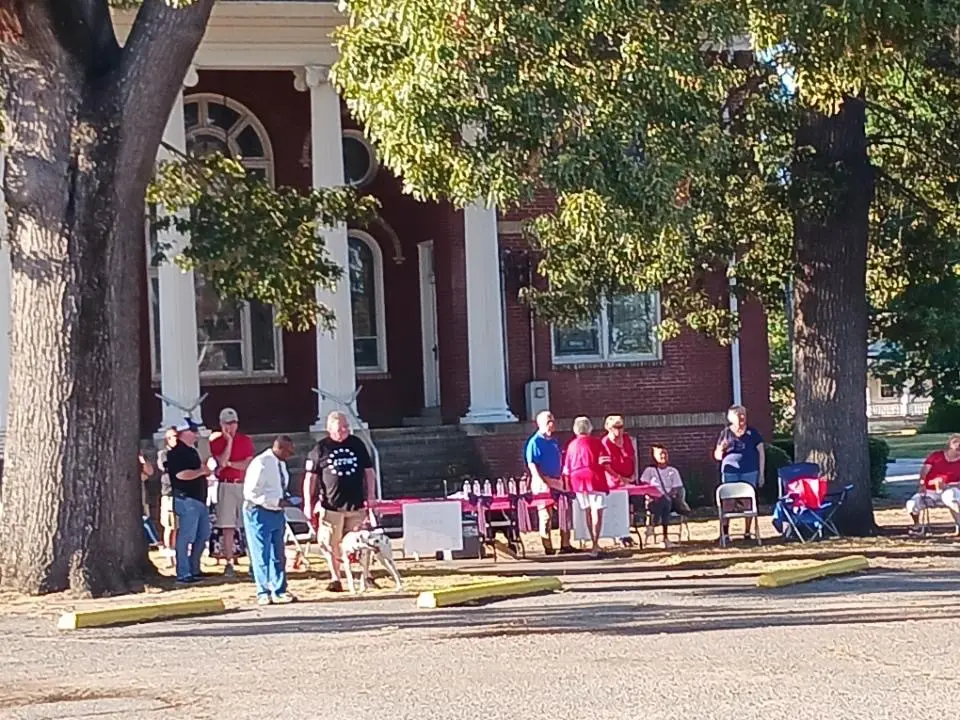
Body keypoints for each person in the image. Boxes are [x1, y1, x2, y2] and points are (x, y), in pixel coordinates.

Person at [304, 411, 376, 593]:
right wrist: (308, 503)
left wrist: (371, 495)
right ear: (329, 429)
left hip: (356, 504)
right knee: (330, 542)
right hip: (331, 506)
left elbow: (369, 472)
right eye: (339, 428)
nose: (344, 431)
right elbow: (310, 478)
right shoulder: (320, 448)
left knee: (361, 542)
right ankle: (336, 578)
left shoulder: (357, 444)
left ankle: (365, 576)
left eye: (346, 427)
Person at [243, 435, 298, 605]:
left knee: (278, 553)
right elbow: (251, 492)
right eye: (288, 451)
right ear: (279, 448)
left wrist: (287, 499)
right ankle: (263, 591)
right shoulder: (261, 463)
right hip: (258, 512)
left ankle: (279, 589)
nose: (290, 455)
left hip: (277, 512)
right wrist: (275, 501)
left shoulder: (281, 463)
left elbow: (280, 486)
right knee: (261, 552)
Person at [208, 407, 255, 577]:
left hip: (243, 485)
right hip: (225, 485)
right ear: (221, 424)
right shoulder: (216, 441)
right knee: (227, 526)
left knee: (247, 525)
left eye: (234, 423)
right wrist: (228, 441)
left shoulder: (246, 440)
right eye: (227, 423)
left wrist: (229, 465)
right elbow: (221, 461)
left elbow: (246, 464)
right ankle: (229, 562)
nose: (231, 426)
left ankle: (252, 561)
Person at [165, 418, 211, 584]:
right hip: (186, 500)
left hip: (199, 499)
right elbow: (180, 475)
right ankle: (183, 573)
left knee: (203, 534)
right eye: (193, 430)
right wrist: (201, 471)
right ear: (184, 432)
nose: (196, 434)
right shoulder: (176, 453)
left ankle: (194, 568)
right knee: (186, 537)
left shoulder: (191, 451)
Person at [524, 410, 575, 555]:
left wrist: (560, 480)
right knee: (546, 516)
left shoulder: (554, 441)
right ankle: (548, 546)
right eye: (548, 422)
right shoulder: (535, 442)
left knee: (565, 513)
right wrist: (545, 482)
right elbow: (533, 465)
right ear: (539, 424)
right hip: (543, 484)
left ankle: (565, 544)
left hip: (558, 482)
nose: (551, 424)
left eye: (552, 421)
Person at [714, 404, 765, 543]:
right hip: (730, 472)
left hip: (749, 471)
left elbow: (761, 453)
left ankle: (748, 532)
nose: (742, 417)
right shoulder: (725, 433)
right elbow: (717, 456)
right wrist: (722, 449)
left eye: (743, 414)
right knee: (728, 502)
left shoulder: (753, 433)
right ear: (731, 418)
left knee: (748, 502)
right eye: (738, 415)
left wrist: (761, 473)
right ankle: (725, 533)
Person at [562, 416, 612, 556]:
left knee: (588, 511)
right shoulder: (597, 443)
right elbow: (605, 463)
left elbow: (566, 468)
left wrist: (567, 484)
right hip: (595, 478)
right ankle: (596, 543)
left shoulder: (571, 445)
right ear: (590, 428)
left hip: (577, 481)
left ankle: (592, 541)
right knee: (598, 512)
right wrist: (616, 476)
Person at [906, 434, 960, 536]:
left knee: (953, 498)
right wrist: (922, 484)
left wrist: (948, 486)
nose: (958, 446)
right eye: (956, 442)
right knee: (912, 504)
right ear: (949, 445)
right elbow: (924, 471)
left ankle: (959, 526)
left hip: (950, 489)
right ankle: (917, 525)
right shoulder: (936, 456)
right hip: (930, 490)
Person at [640, 444, 691, 548]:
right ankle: (665, 537)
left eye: (665, 453)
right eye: (661, 454)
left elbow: (677, 488)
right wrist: (653, 495)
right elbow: (644, 487)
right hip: (653, 501)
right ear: (654, 456)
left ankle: (653, 524)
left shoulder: (673, 471)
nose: (663, 456)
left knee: (666, 501)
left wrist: (667, 495)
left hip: (670, 502)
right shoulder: (649, 471)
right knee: (663, 501)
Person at [600, 414, 639, 547]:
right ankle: (621, 535)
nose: (618, 430)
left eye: (620, 427)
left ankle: (627, 533)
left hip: (628, 478)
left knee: (630, 505)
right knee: (619, 506)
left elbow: (632, 457)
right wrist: (620, 478)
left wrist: (633, 475)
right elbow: (606, 466)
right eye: (615, 427)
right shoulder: (605, 443)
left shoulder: (627, 439)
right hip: (613, 481)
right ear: (608, 428)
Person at [156, 426, 178, 567]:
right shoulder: (163, 454)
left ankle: (176, 554)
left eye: (177, 436)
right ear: (167, 439)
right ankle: (169, 556)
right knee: (169, 526)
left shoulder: (183, 453)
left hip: (180, 493)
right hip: (168, 493)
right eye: (173, 437)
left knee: (177, 527)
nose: (176, 439)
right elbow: (166, 467)